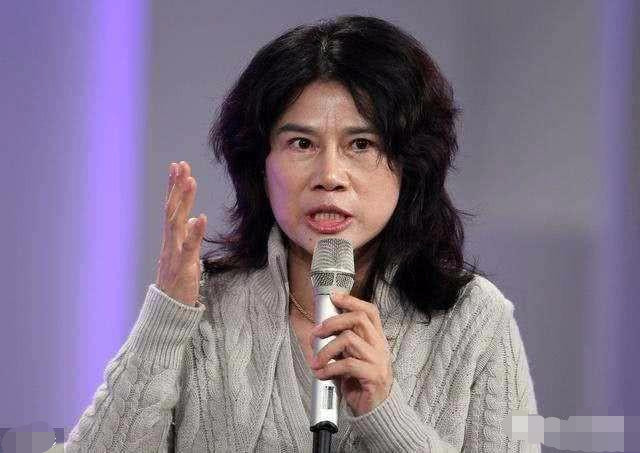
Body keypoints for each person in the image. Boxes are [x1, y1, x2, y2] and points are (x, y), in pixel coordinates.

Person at [66, 15, 540, 452]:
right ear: (261, 164)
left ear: (409, 163)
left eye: (361, 144)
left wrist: (386, 413)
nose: (329, 175)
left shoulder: (476, 321)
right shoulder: (203, 307)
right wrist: (166, 319)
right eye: (301, 143)